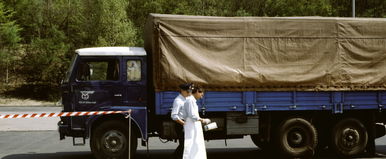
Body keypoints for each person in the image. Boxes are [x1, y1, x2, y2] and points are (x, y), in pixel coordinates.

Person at [182, 85, 210, 159]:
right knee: (191, 143)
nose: (201, 97)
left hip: (193, 124)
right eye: (201, 94)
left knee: (196, 143)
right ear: (197, 91)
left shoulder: (191, 100)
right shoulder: (190, 100)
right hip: (191, 125)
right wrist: (203, 120)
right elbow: (192, 115)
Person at [171, 83, 193, 159]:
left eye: (190, 90)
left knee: (185, 145)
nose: (190, 92)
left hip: (185, 123)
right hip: (180, 124)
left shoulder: (186, 99)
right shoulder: (178, 100)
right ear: (182, 91)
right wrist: (183, 124)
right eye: (188, 91)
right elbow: (174, 116)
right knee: (183, 145)